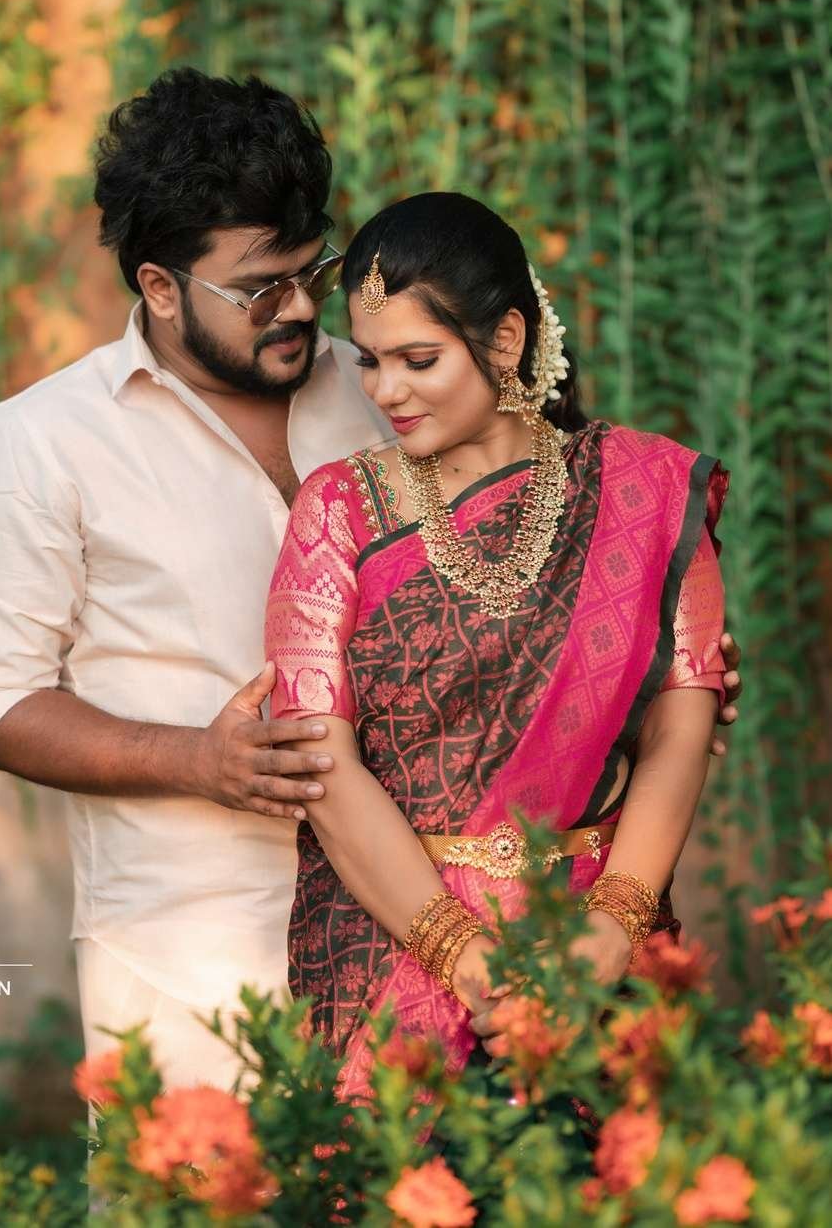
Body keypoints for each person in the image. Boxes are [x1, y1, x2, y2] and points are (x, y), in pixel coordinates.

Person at [0, 70, 742, 1103]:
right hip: (195, 950)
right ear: (160, 287)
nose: (296, 308)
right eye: (257, 288)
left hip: (437, 934)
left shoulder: (386, 380)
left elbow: (557, 580)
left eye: (308, 271)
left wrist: (655, 662)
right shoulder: (40, 444)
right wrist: (198, 761)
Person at [265, 191, 732, 1101]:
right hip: (396, 949)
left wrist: (608, 934)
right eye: (369, 362)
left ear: (506, 340)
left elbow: (684, 721)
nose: (384, 392)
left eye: (418, 360)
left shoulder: (643, 489)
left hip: (600, 926)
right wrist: (472, 964)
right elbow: (319, 760)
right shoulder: (337, 510)